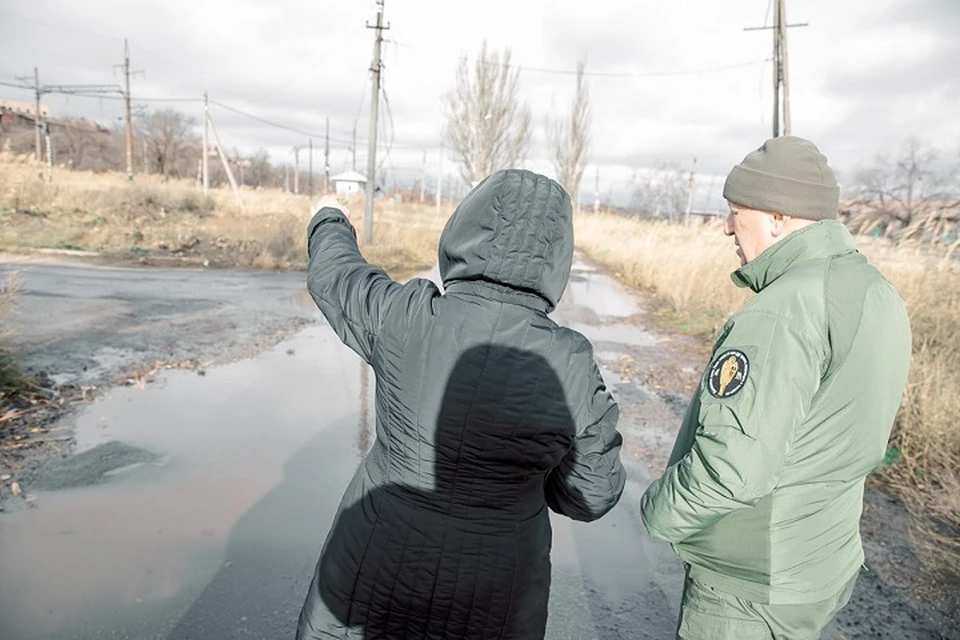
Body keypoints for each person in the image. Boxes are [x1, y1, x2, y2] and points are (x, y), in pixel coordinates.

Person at [297, 169, 626, 639]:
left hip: (377, 550)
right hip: (499, 584)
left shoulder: (405, 315)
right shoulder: (570, 362)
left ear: (464, 230)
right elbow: (593, 493)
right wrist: (526, 482)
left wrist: (329, 218)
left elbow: (336, 277)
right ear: (558, 255)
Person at [640, 136, 912, 639]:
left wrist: (658, 510)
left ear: (778, 217)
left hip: (750, 584)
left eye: (734, 210)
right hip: (820, 560)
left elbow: (732, 469)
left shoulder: (782, 310)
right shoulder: (876, 291)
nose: (726, 227)